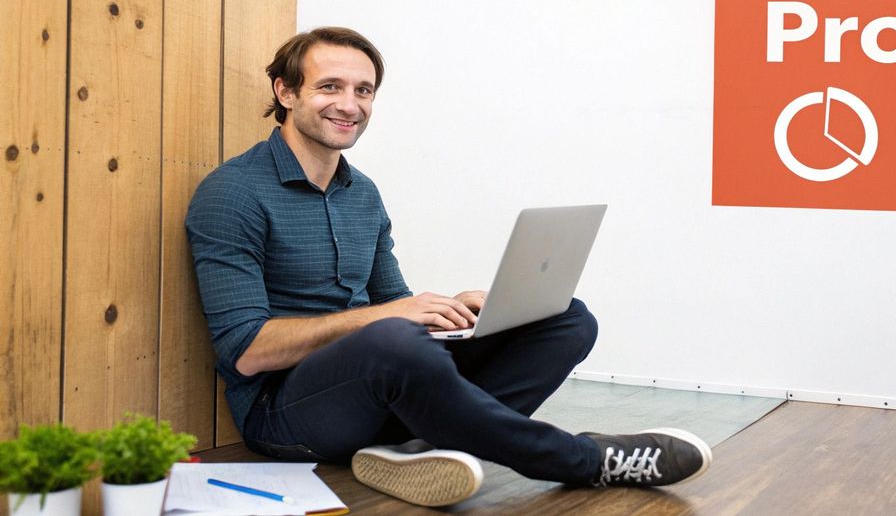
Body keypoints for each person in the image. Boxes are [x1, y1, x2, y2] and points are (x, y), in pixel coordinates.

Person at [185, 27, 711, 507]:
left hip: (374, 386)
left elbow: (396, 308)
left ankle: (419, 447)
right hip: (285, 413)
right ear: (286, 92)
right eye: (329, 87)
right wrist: (392, 319)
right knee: (393, 338)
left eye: (363, 91)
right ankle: (584, 460)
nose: (349, 105)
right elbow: (247, 352)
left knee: (566, 317)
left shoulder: (361, 192)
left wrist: (451, 310)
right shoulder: (234, 193)